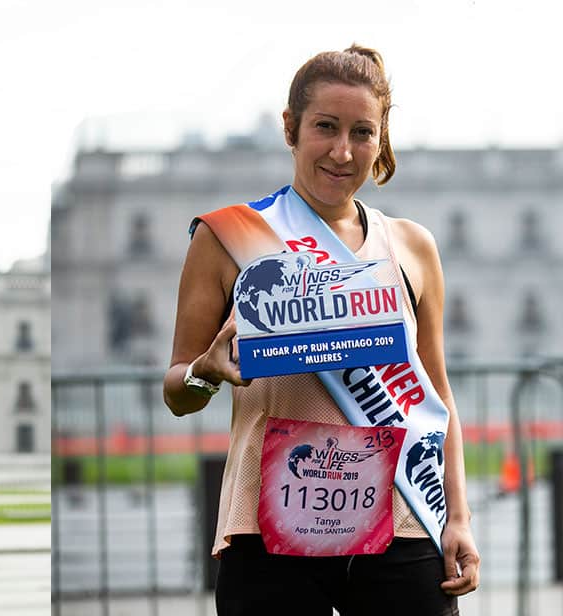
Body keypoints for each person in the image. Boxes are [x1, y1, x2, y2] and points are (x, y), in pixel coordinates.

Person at [163, 45, 479, 615]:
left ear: (380, 140)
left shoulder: (412, 247)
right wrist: (205, 373)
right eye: (325, 127)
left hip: (401, 518)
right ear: (291, 127)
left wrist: (458, 517)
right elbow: (176, 393)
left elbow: (439, 397)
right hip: (269, 524)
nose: (343, 150)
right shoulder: (228, 237)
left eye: (362, 132)